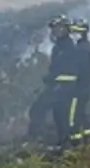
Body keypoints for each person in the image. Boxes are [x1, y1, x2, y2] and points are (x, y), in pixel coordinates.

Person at [28, 15, 81, 147]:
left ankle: (38, 140)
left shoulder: (67, 47)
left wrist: (57, 83)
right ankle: (57, 142)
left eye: (58, 28)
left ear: (65, 29)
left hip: (64, 88)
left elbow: (66, 70)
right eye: (54, 29)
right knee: (57, 115)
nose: (55, 31)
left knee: (40, 110)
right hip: (58, 86)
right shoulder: (59, 47)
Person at [68, 18, 90, 142]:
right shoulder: (86, 47)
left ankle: (74, 138)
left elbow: (79, 70)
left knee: (73, 113)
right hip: (85, 87)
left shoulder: (81, 49)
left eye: (75, 31)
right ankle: (87, 132)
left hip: (79, 88)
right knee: (80, 111)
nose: (73, 34)